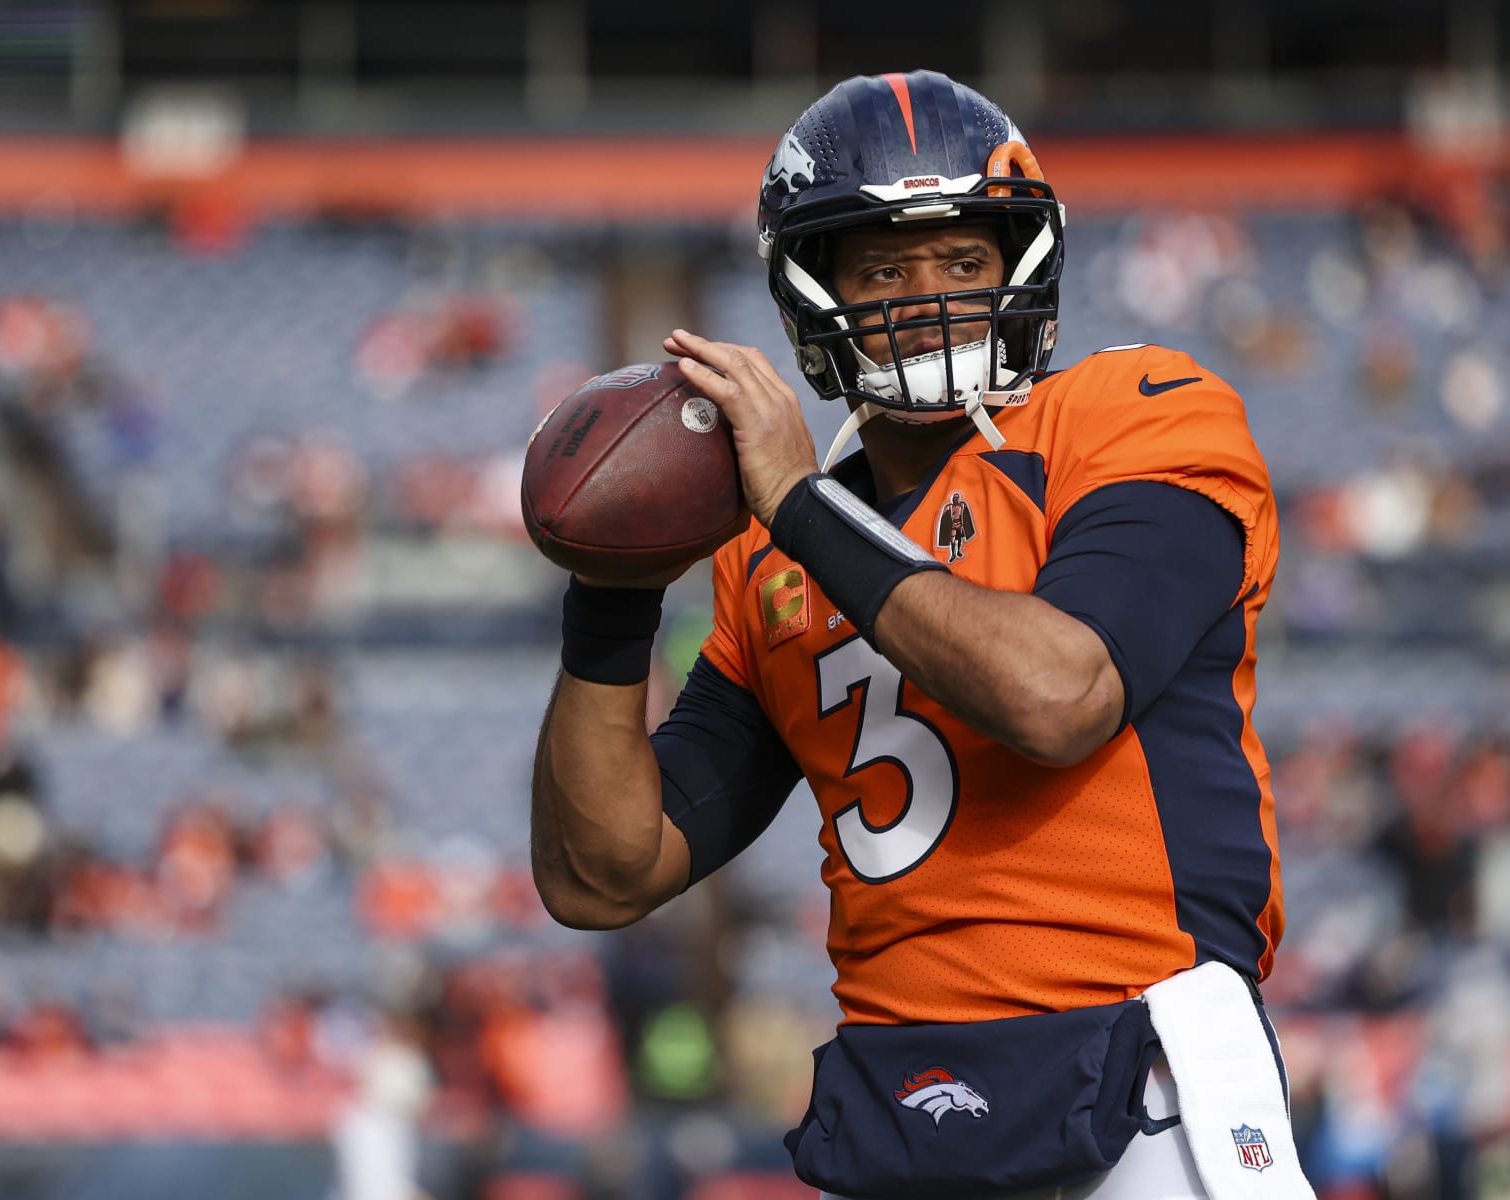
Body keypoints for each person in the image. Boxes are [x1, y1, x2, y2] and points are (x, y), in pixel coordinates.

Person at [531, 70, 1311, 1200]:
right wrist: (610, 599)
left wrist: (805, 507)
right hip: (907, 1100)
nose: (928, 297)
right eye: (883, 268)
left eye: (963, 261)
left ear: (1021, 271)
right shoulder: (766, 566)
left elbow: (1060, 696)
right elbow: (602, 874)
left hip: (1147, 1069)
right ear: (814, 293)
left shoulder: (1139, 411)